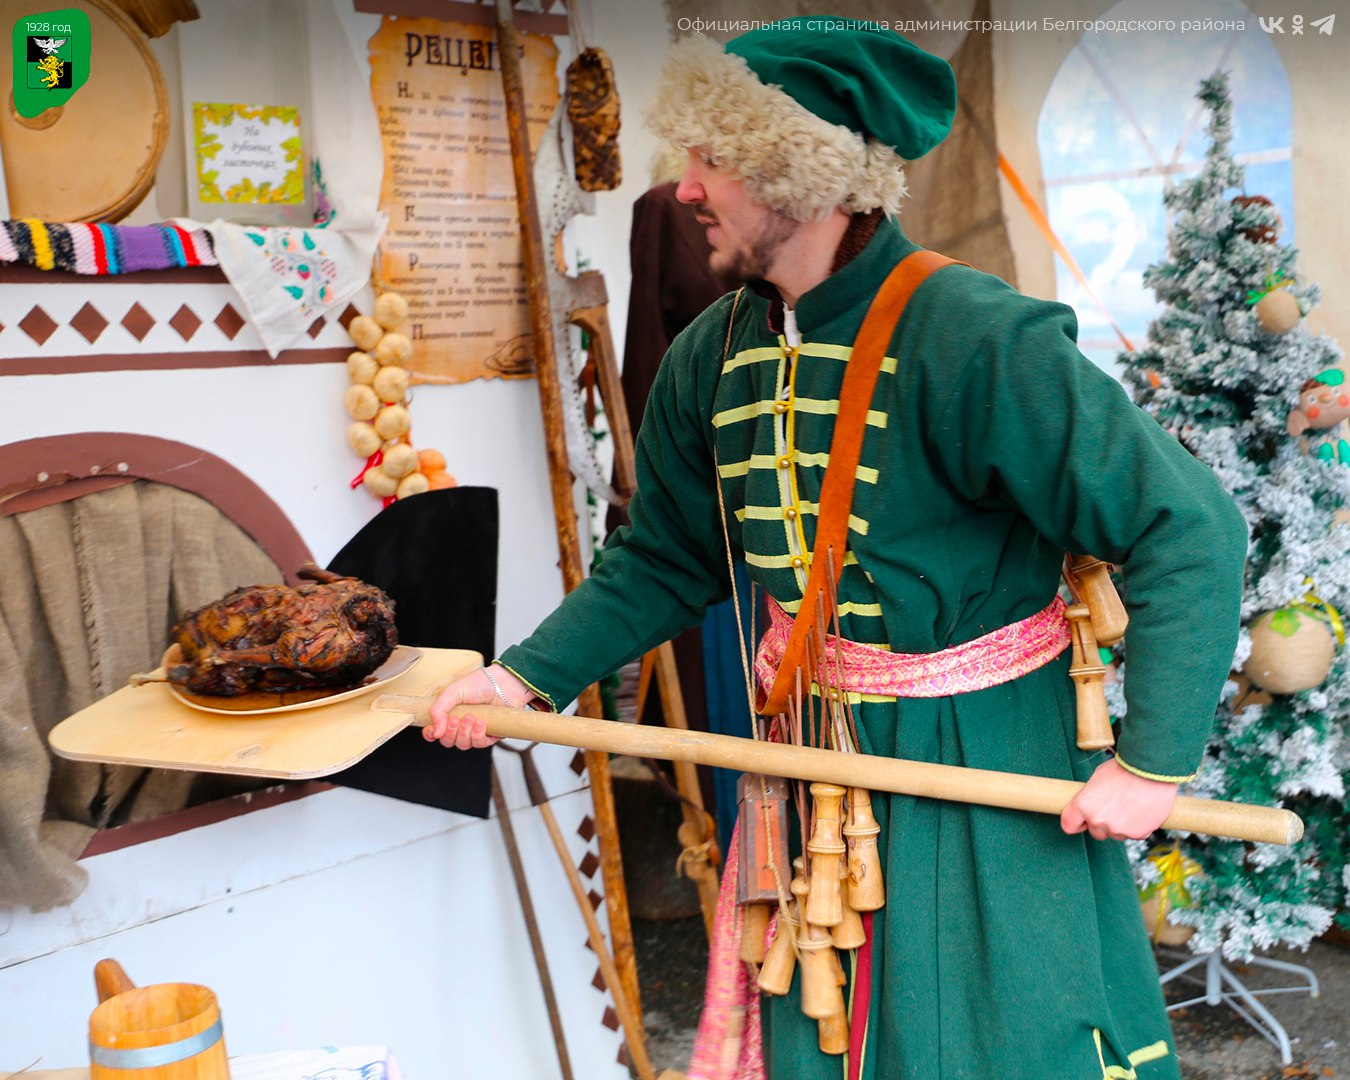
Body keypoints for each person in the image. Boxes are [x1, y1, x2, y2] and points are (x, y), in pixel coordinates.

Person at [425, 20, 1247, 1080]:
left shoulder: (978, 339)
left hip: (983, 762)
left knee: (988, 1043)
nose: (684, 189)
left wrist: (1152, 762)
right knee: (827, 1035)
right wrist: (526, 677)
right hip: (803, 755)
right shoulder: (707, 357)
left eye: (711, 157)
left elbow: (1185, 525)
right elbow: (666, 557)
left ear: (796, 170)